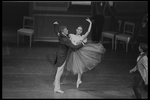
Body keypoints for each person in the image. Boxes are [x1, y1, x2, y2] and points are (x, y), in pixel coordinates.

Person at [66, 18, 106, 88]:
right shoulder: (71, 35)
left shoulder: (82, 37)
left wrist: (90, 23)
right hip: (74, 53)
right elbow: (66, 37)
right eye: (78, 29)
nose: (79, 31)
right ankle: (79, 79)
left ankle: (79, 79)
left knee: (80, 67)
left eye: (81, 30)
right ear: (76, 30)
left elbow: (88, 31)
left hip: (80, 53)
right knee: (78, 67)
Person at [53, 21, 84, 93]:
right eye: (66, 30)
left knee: (58, 71)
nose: (67, 30)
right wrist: (82, 44)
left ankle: (55, 83)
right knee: (59, 72)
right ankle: (56, 88)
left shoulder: (60, 35)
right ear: (63, 32)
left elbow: (56, 31)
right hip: (62, 56)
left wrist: (55, 24)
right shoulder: (66, 40)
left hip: (59, 54)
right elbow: (74, 47)